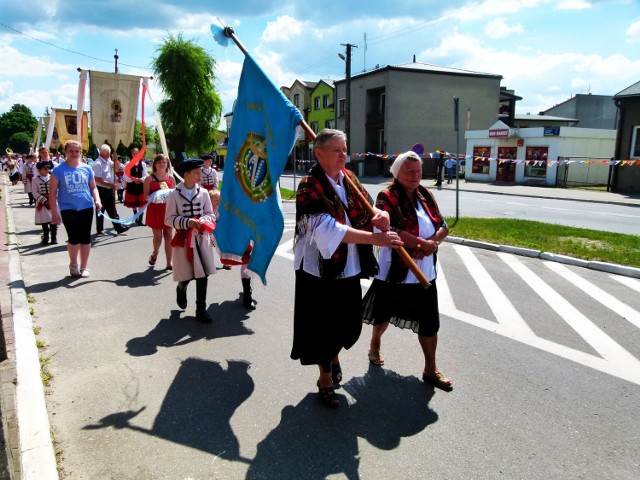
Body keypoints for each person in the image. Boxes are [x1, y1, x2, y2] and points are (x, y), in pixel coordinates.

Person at [291, 128, 402, 408]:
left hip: (349, 265)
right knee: (323, 328)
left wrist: (381, 216)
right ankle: (325, 380)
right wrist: (376, 239)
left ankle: (333, 356)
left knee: (349, 325)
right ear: (319, 154)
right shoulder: (309, 185)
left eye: (345, 149)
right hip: (319, 269)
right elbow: (328, 230)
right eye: (337, 150)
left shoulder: (349, 178)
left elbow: (367, 208)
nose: (344, 155)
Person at [362, 150, 452, 391]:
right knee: (383, 316)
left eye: (418, 171)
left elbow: (442, 224)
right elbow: (389, 228)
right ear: (397, 173)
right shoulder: (386, 196)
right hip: (397, 270)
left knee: (430, 322)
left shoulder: (425, 194)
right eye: (409, 171)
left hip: (425, 271)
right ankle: (374, 344)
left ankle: (430, 369)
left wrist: (432, 243)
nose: (415, 175)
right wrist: (422, 244)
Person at [165, 159, 217, 323]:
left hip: (201, 239)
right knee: (186, 274)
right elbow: (168, 219)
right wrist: (188, 222)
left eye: (200, 172)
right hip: (183, 239)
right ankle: (181, 288)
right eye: (196, 172)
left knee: (203, 274)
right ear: (186, 175)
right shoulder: (174, 194)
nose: (200, 175)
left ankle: (201, 309)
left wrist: (203, 220)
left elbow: (211, 214)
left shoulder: (203, 193)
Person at [50, 140, 101, 278]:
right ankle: (73, 264)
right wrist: (54, 213)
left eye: (77, 151)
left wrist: (97, 200)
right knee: (74, 238)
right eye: (71, 151)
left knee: (85, 238)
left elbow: (93, 187)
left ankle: (84, 267)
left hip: (86, 206)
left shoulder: (87, 168)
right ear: (66, 152)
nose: (74, 153)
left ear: (80, 153)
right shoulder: (58, 170)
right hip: (68, 208)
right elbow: (52, 192)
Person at [210, 189, 257, 310]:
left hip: (244, 235)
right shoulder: (214, 212)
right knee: (245, 261)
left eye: (219, 200)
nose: (218, 202)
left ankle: (247, 295)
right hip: (230, 239)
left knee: (247, 262)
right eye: (216, 200)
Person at [143, 154, 175, 270]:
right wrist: (155, 196)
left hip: (168, 210)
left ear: (167, 165)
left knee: (169, 236)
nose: (162, 164)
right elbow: (145, 196)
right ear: (155, 164)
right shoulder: (149, 179)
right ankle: (155, 253)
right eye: (159, 162)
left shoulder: (170, 178)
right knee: (158, 237)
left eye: (164, 162)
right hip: (155, 210)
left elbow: (174, 195)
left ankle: (169, 262)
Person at [92, 144, 129, 235]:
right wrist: (110, 184)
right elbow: (97, 178)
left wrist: (115, 159)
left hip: (109, 189)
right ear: (108, 153)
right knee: (100, 209)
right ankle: (100, 229)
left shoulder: (108, 161)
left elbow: (116, 167)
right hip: (101, 189)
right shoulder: (98, 163)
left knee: (112, 209)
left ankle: (118, 226)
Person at [32, 161, 58, 245]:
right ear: (39, 170)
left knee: (53, 220)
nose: (47, 170)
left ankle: (54, 238)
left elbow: (57, 189)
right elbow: (34, 192)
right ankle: (46, 237)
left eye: (48, 169)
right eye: (44, 169)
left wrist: (52, 198)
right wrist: (44, 200)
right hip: (42, 203)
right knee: (44, 221)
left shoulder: (53, 177)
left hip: (52, 201)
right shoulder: (35, 179)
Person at [124, 148, 148, 225]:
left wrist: (141, 179)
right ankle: (136, 218)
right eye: (134, 153)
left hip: (141, 185)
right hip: (131, 185)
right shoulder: (128, 163)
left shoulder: (143, 164)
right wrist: (132, 179)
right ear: (132, 154)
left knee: (141, 203)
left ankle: (140, 220)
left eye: (137, 153)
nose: (135, 154)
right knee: (133, 203)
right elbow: (125, 175)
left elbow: (145, 175)